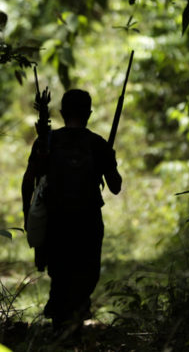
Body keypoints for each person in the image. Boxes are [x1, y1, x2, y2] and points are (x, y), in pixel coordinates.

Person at [22, 88, 122, 336]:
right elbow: (116, 187)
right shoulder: (97, 144)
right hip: (88, 221)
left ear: (62, 113)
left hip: (55, 220)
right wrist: (109, 159)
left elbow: (28, 180)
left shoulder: (46, 141)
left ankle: (62, 325)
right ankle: (72, 322)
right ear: (89, 113)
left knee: (60, 272)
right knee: (86, 273)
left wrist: (28, 217)